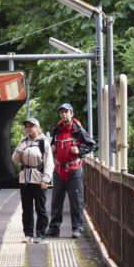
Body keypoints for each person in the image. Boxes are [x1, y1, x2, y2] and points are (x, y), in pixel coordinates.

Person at [45, 103, 96, 239]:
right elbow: (52, 144)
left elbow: (92, 145)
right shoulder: (57, 129)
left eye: (66, 112)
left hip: (73, 170)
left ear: (71, 114)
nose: (64, 114)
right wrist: (53, 147)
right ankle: (54, 228)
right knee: (56, 200)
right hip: (58, 169)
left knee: (76, 201)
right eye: (62, 112)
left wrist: (80, 151)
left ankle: (77, 228)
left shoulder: (77, 129)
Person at [12, 117, 54, 244]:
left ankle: (40, 234)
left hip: (38, 179)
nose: (28, 128)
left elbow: (49, 163)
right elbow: (15, 159)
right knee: (27, 208)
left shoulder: (43, 143)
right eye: (27, 126)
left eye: (31, 126)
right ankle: (28, 234)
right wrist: (20, 149)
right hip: (25, 179)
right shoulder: (23, 141)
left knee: (40, 208)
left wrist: (46, 179)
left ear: (37, 127)